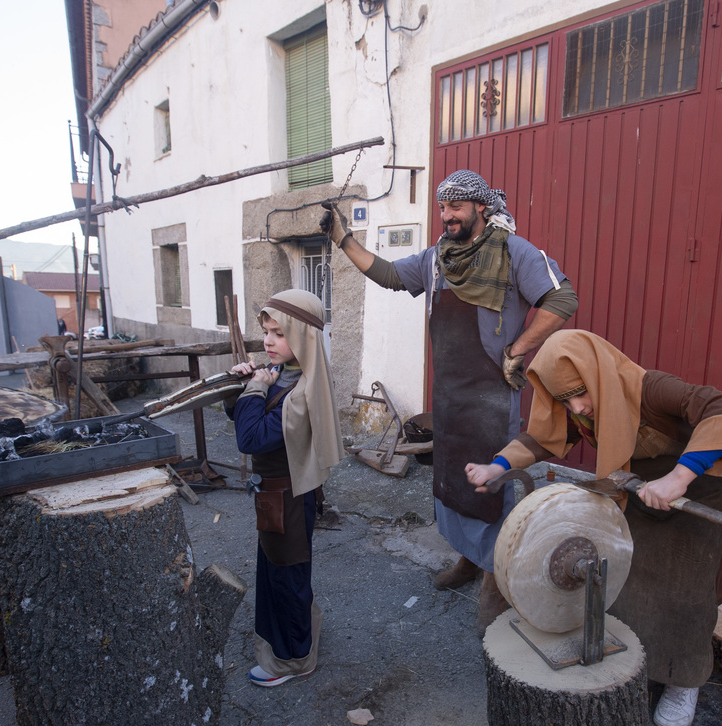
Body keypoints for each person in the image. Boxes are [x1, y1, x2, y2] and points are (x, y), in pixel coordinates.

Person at [465, 330, 722, 726]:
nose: (577, 406)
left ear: (598, 374)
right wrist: (498, 466)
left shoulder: (654, 389)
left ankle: (683, 679)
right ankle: (642, 657)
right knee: (625, 574)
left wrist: (679, 478)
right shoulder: (580, 407)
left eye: (580, 392)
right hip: (634, 487)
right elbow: (543, 437)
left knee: (684, 589)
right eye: (565, 399)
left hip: (693, 489)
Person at [320, 169, 578, 632]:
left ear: (481, 207)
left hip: (493, 399)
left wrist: (519, 350)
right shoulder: (439, 258)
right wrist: (344, 240)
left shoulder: (514, 252)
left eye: (456, 207)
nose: (447, 216)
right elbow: (389, 275)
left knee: (490, 487)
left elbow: (562, 299)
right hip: (451, 395)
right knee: (453, 482)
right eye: (442, 208)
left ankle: (494, 579)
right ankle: (468, 559)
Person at [226, 289, 345, 687]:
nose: (269, 341)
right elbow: (248, 420)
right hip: (277, 495)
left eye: (279, 333)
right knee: (279, 571)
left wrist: (255, 391)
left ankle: (294, 659)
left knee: (286, 576)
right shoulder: (285, 376)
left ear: (302, 336)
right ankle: (297, 642)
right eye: (266, 332)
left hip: (288, 500)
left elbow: (251, 439)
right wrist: (246, 388)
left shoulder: (302, 392)